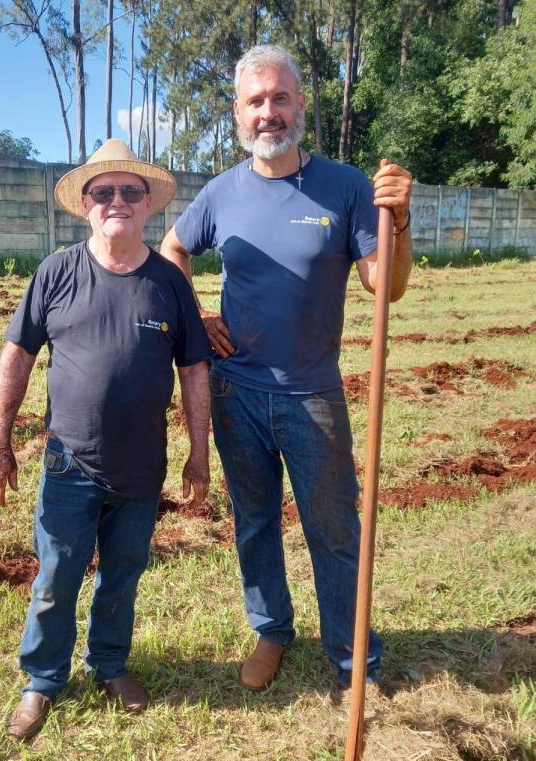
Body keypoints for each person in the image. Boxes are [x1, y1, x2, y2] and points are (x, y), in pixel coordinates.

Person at [161, 44, 413, 692]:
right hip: (236, 392)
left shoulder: (346, 186)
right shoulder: (221, 193)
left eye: (279, 97)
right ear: (238, 113)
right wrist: (195, 315)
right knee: (255, 522)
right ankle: (271, 630)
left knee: (335, 530)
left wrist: (401, 223)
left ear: (299, 102)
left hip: (312, 396)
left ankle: (353, 655)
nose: (267, 111)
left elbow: (385, 286)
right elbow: (173, 248)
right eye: (255, 101)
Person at [0, 139, 212, 740]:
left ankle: (109, 665)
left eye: (130, 191)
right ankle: (42, 681)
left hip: (142, 466)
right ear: (86, 204)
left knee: (123, 575)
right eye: (103, 192)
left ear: (148, 204)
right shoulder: (56, 273)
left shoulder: (169, 282)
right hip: (69, 461)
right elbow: (16, 358)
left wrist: (199, 454)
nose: (117, 201)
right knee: (56, 577)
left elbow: (194, 370)